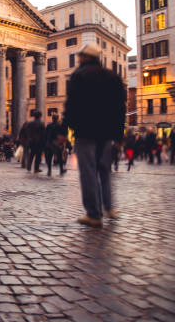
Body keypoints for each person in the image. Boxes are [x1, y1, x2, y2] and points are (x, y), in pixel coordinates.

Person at [65, 42, 126, 228]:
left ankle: (94, 214)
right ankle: (109, 207)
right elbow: (119, 108)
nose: (78, 59)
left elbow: (72, 104)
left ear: (86, 57)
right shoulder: (112, 77)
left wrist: (67, 129)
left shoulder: (79, 75)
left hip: (85, 131)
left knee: (89, 172)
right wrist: (119, 135)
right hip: (106, 132)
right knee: (104, 171)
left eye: (80, 56)